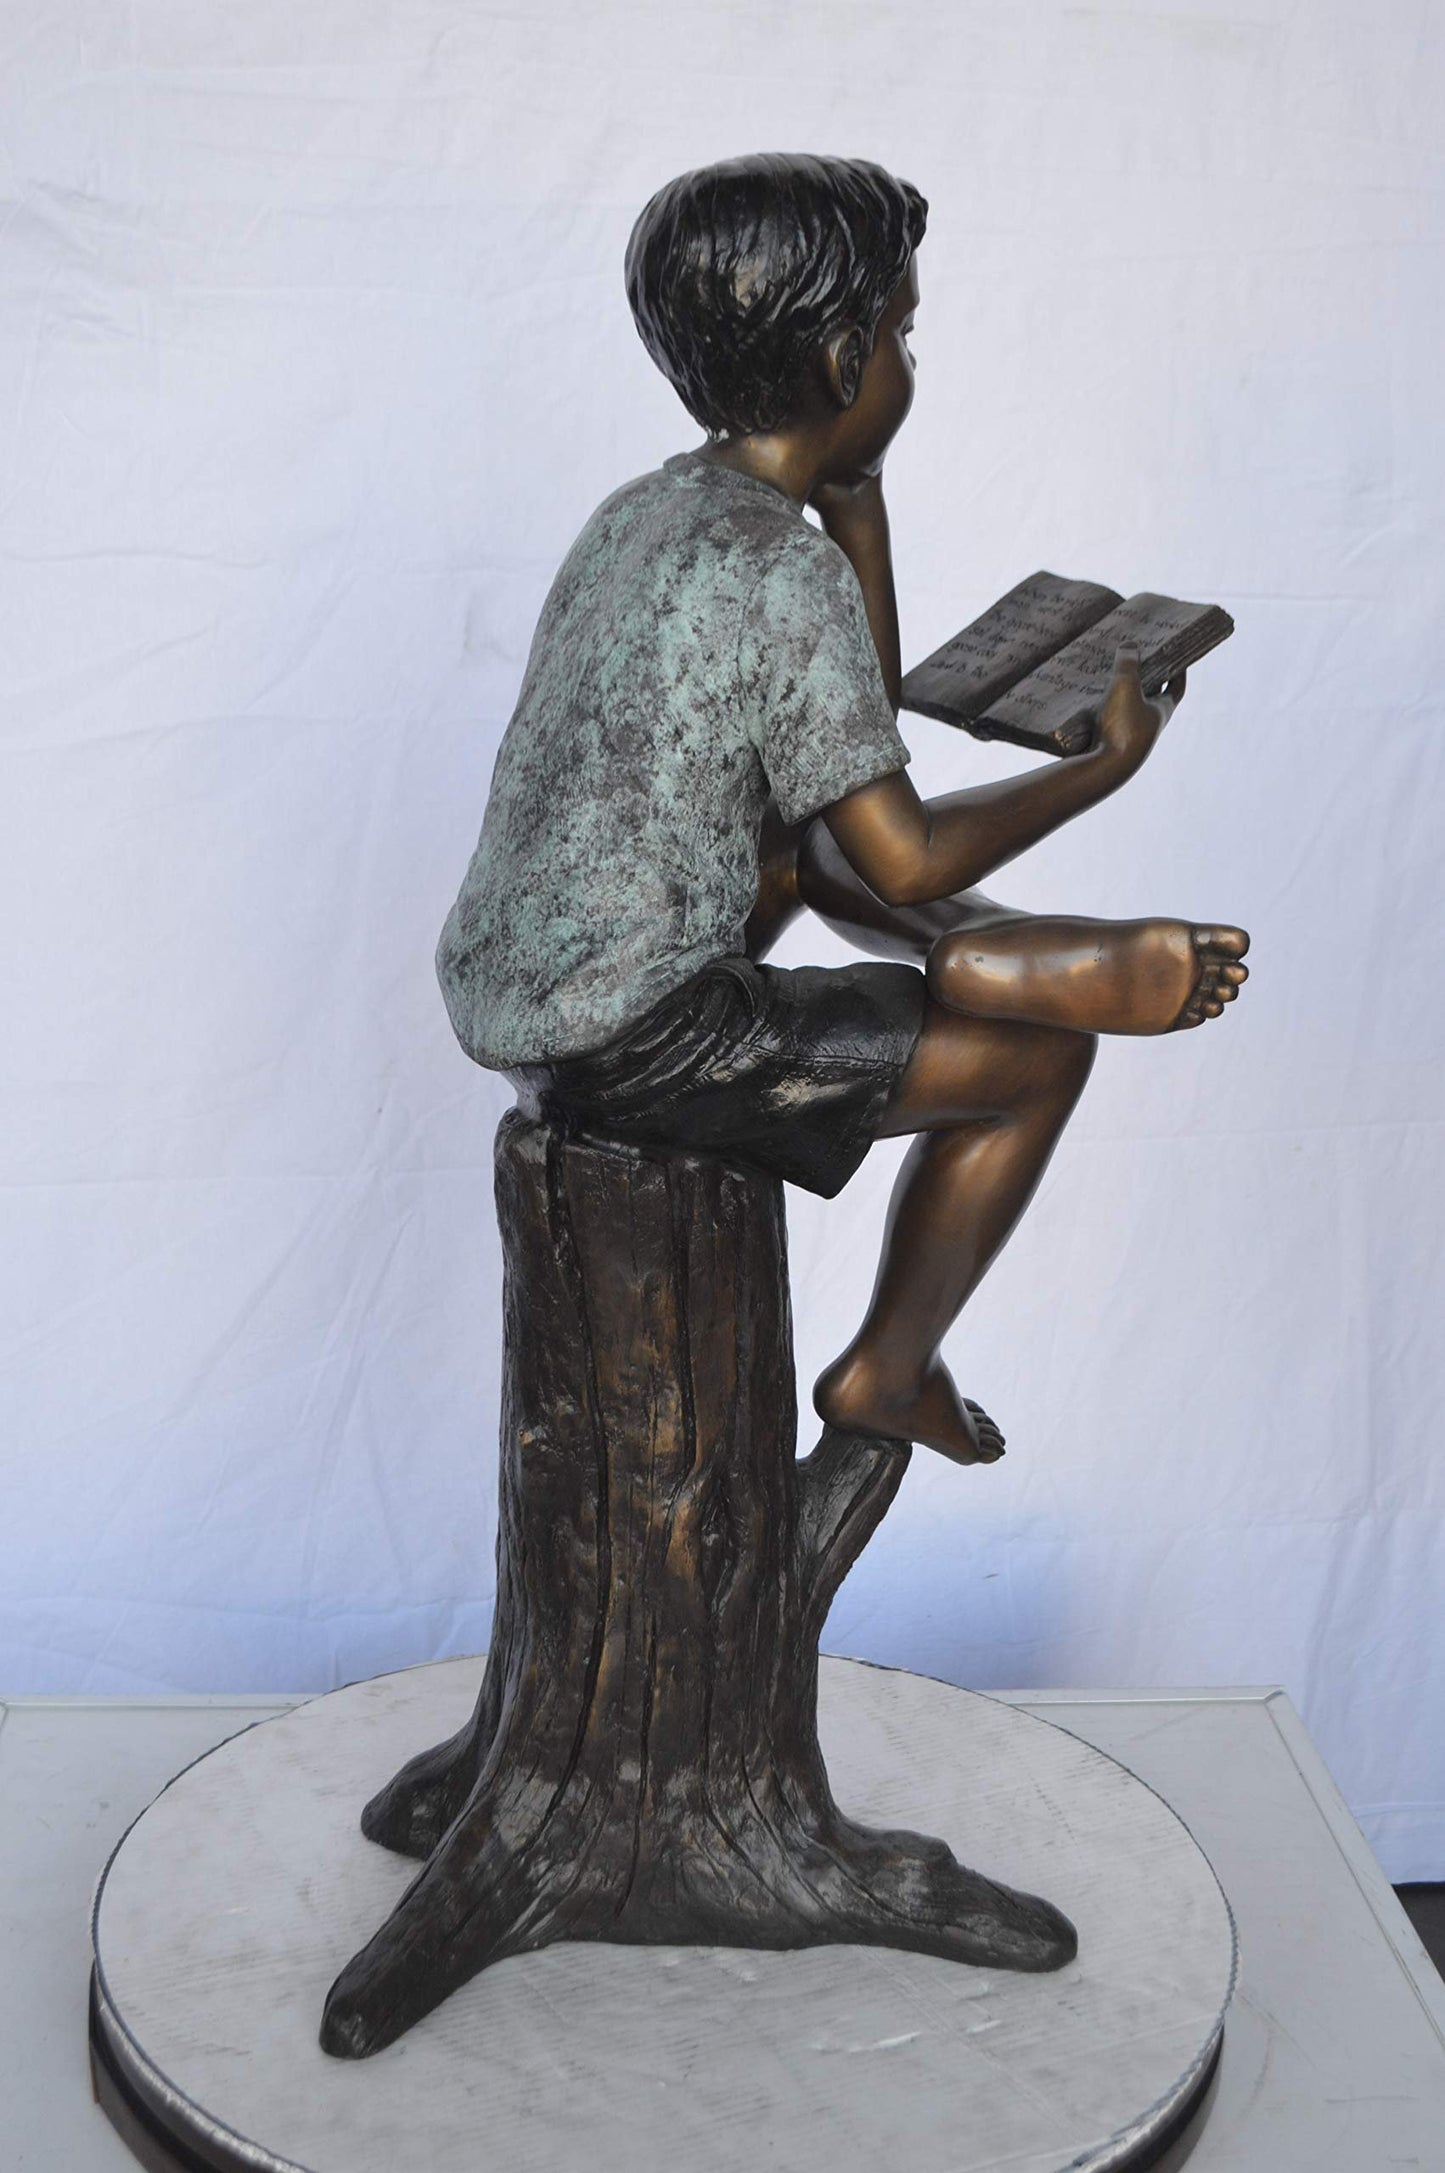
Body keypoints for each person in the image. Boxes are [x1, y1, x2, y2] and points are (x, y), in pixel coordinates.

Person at [438, 152, 1248, 1468]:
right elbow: (901, 849)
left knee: (810, 838)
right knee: (1037, 1065)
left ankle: (985, 951)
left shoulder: (641, 516)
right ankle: (888, 1366)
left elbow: (840, 748)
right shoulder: (779, 565)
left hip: (526, 988)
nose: (910, 362)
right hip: (638, 1034)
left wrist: (858, 512)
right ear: (840, 358)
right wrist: (1099, 765)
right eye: (903, 334)